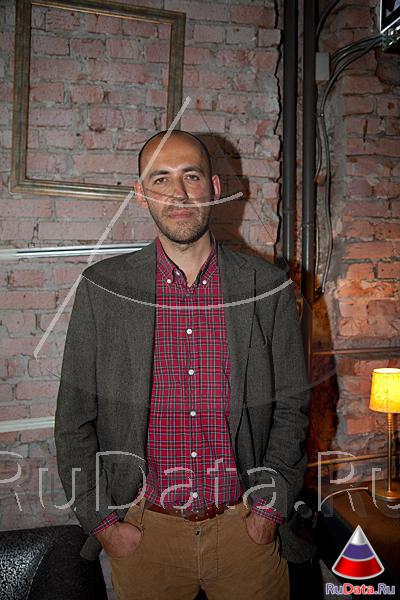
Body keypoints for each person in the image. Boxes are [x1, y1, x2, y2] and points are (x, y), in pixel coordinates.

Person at [55, 130, 311, 600]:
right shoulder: (102, 288)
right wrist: (104, 525)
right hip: (144, 536)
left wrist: (267, 513)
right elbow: (74, 421)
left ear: (214, 187)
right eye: (161, 179)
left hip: (245, 533)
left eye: (191, 176)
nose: (178, 193)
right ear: (140, 194)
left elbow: (292, 407)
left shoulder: (267, 286)